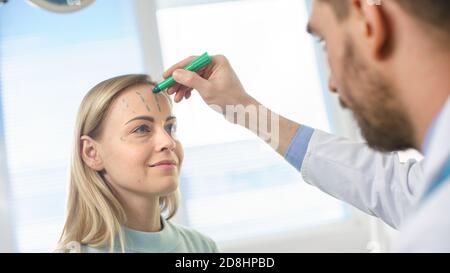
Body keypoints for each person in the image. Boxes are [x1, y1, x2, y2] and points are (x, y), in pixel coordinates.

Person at [162, 0, 450, 252]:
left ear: (369, 22)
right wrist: (242, 108)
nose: (332, 84)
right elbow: (398, 189)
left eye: (324, 42)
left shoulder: (434, 232)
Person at [56, 74, 218, 253]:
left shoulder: (202, 247)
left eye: (170, 127)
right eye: (141, 129)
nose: (168, 142)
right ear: (91, 153)